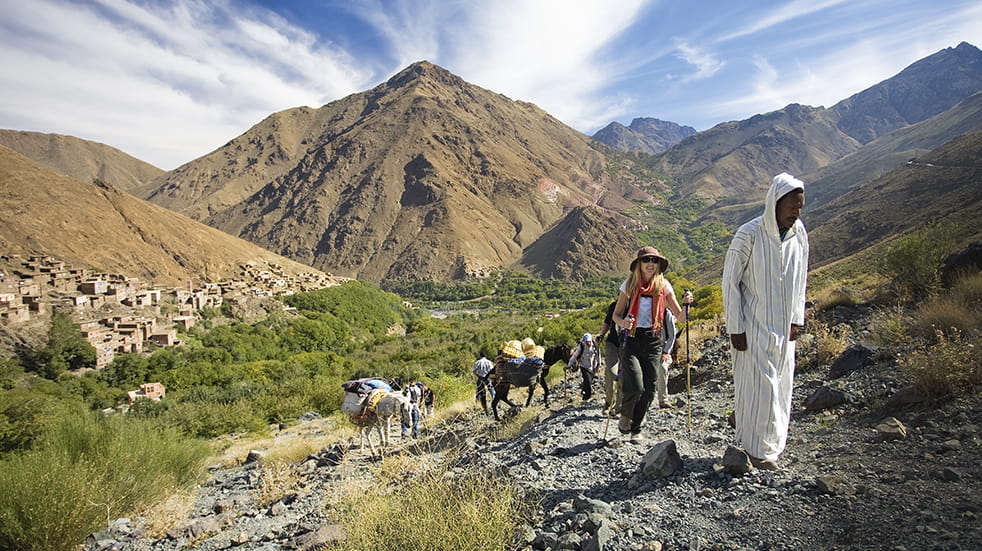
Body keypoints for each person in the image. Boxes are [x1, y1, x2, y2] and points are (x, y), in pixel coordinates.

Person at [722, 172, 808, 471]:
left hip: (784, 328)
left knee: (781, 385)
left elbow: (801, 279)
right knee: (760, 387)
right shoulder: (750, 234)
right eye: (792, 207)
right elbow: (729, 282)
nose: (796, 213)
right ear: (775, 202)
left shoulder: (799, 235)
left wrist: (797, 318)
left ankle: (772, 443)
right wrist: (735, 326)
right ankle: (756, 450)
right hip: (753, 325)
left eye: (800, 207)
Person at [612, 247, 693, 443]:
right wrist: (623, 323)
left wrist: (687, 303)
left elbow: (680, 317)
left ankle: (636, 428)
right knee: (636, 385)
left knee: (649, 389)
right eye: (646, 260)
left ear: (659, 265)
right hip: (631, 339)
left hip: (654, 341)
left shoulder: (664, 286)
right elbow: (616, 315)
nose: (650, 263)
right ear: (639, 263)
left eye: (654, 261)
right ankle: (626, 414)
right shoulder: (629, 285)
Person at [597, 301, 622, 415]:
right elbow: (607, 322)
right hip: (613, 343)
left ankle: (619, 406)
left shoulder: (636, 305)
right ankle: (608, 403)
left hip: (629, 345)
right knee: (612, 372)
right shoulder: (614, 306)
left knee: (624, 376)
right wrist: (601, 335)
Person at [567, 333, 600, 400]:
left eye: (589, 341)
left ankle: (584, 391)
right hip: (584, 366)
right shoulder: (581, 346)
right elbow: (575, 356)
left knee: (589, 381)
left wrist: (599, 364)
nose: (588, 343)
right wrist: (569, 365)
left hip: (593, 366)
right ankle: (587, 396)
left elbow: (598, 355)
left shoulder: (595, 345)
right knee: (587, 380)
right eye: (587, 341)